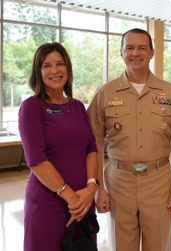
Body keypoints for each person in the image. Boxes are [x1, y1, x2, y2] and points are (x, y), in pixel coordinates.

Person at [87, 28, 171, 251]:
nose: (135, 53)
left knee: (158, 243)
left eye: (142, 48)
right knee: (122, 245)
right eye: (129, 48)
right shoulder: (105, 93)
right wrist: (98, 188)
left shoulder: (170, 92)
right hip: (119, 182)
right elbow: (95, 142)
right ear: (121, 53)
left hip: (159, 181)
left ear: (152, 52)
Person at [18, 42, 99, 251]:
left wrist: (90, 189)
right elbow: (36, 160)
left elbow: (91, 148)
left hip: (83, 202)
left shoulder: (78, 106)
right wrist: (71, 197)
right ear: (38, 71)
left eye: (60, 64)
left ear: (68, 69)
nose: (54, 70)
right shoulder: (32, 107)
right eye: (46, 65)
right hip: (49, 203)